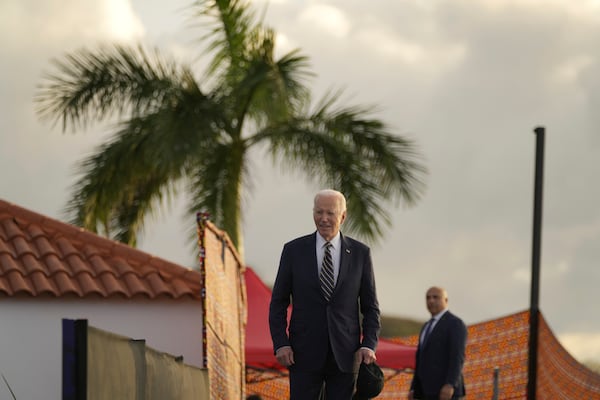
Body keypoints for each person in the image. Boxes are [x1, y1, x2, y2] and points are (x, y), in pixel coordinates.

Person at [269, 189, 381, 400]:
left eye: (330, 213)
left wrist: (368, 344)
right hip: (302, 354)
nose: (324, 219)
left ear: (343, 216)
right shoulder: (293, 251)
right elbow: (278, 303)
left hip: (346, 354)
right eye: (319, 212)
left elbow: (371, 307)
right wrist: (281, 343)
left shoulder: (360, 254)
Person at [408, 287, 467, 400]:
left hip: (446, 392)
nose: (431, 301)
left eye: (436, 297)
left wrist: (450, 384)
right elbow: (420, 360)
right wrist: (413, 388)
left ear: (446, 300)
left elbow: (457, 357)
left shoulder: (455, 324)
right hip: (425, 392)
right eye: (428, 298)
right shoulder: (426, 327)